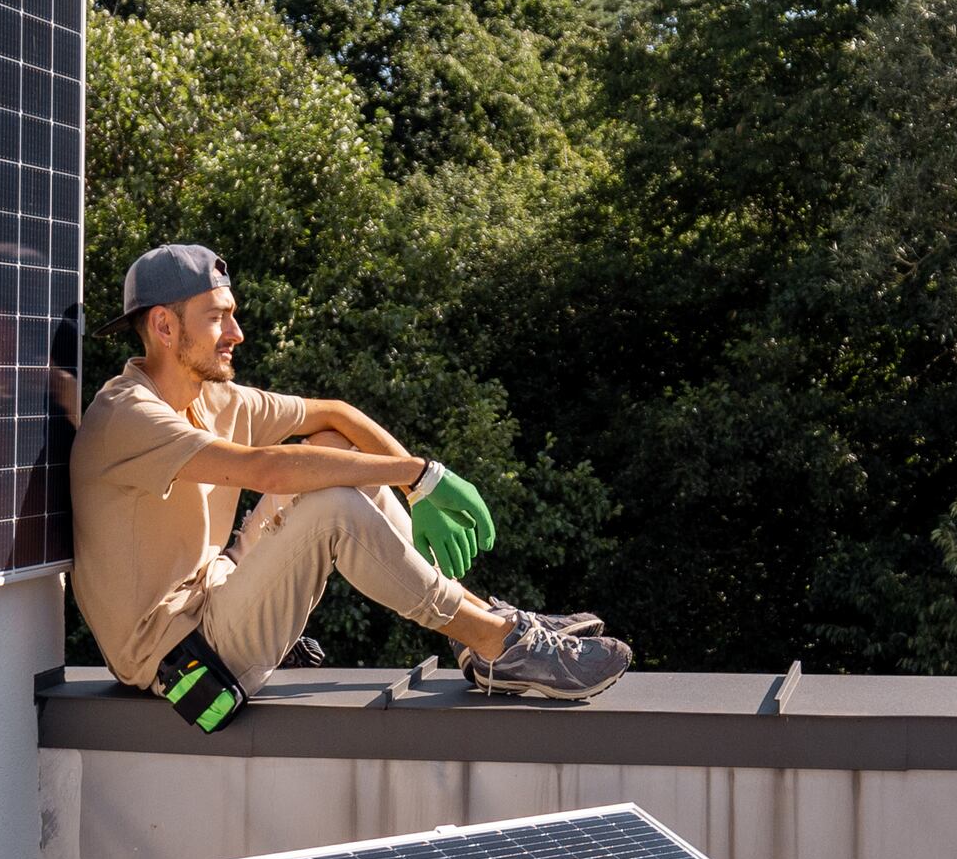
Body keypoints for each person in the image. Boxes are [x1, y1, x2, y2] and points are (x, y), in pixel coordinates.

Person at [72, 241, 629, 712]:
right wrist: (418, 469)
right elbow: (264, 469)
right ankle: (499, 645)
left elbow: (335, 415)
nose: (237, 332)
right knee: (330, 507)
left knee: (333, 450)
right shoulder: (128, 415)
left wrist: (420, 489)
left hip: (217, 591)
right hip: (181, 656)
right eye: (218, 317)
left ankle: (482, 621)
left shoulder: (212, 397)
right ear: (165, 326)